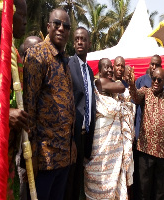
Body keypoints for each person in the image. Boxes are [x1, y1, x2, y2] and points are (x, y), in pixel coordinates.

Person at [23, 8, 76, 200]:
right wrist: (33, 156)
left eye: (66, 26)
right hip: (44, 159)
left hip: (63, 156)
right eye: (57, 24)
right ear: (48, 26)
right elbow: (29, 108)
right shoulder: (37, 55)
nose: (62, 28)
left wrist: (71, 147)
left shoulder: (64, 60)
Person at [0, 0, 28, 199]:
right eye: (23, 16)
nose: (26, 22)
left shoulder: (13, 53)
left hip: (8, 158)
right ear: (7, 11)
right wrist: (2, 113)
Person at [84, 58, 135, 199]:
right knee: (99, 178)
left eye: (110, 67)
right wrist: (125, 79)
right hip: (101, 144)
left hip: (114, 145)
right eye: (105, 67)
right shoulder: (100, 83)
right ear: (99, 71)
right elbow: (121, 87)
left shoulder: (113, 93)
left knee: (114, 180)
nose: (109, 70)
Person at [129, 67, 164, 200]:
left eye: (159, 80)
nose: (156, 81)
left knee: (159, 192)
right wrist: (132, 84)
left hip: (163, 152)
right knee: (144, 189)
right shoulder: (145, 92)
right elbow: (135, 97)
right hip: (145, 150)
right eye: (154, 79)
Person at [64, 27, 96, 200]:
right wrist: (71, 138)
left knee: (77, 184)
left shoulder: (89, 71)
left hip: (85, 137)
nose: (79, 42)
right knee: (68, 186)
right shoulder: (69, 65)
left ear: (89, 43)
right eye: (76, 39)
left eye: (83, 39)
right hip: (72, 138)